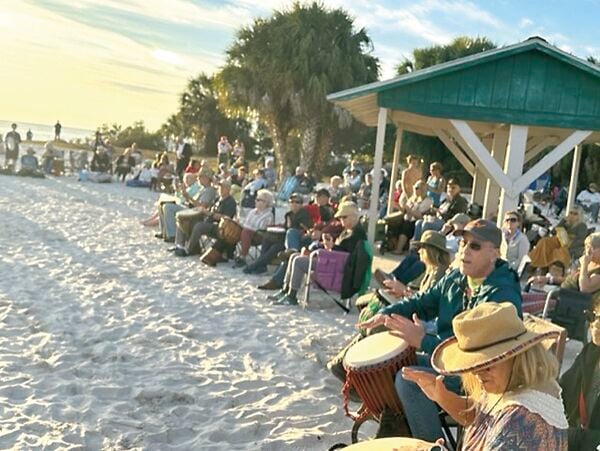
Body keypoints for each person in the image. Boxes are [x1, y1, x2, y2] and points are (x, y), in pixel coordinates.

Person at [359, 219, 522, 441]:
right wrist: (387, 314)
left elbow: (481, 357)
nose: (465, 250)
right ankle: (402, 432)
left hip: (479, 379)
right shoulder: (456, 278)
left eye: (475, 246)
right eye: (463, 243)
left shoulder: (501, 294)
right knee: (392, 365)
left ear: (494, 253)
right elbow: (421, 303)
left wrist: (423, 341)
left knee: (407, 382)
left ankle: (433, 446)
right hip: (448, 364)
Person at [405, 302, 568, 449]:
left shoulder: (520, 422)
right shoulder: (512, 384)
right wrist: (441, 396)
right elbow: (479, 418)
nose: (477, 373)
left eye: (486, 365)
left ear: (517, 357)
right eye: (473, 366)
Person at [328, 231, 451, 383]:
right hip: (423, 321)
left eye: (422, 248)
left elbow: (430, 307)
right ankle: (344, 364)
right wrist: (405, 292)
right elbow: (422, 297)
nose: (418, 251)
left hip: (427, 326)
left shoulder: (440, 273)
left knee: (378, 327)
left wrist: (404, 291)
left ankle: (348, 368)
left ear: (431, 251)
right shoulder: (431, 270)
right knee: (377, 324)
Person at [271, 201, 366, 306]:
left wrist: (330, 247)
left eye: (344, 217)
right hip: (333, 262)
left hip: (337, 268)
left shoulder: (357, 234)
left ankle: (292, 295)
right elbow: (342, 249)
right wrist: (329, 245)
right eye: (340, 218)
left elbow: (348, 255)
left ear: (353, 217)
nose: (341, 221)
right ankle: (286, 290)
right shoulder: (348, 231)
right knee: (294, 256)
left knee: (299, 261)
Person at [560, 293, 600, 449]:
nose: (595, 324)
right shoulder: (590, 353)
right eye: (593, 317)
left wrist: (569, 436)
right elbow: (561, 392)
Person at [243, 193, 313, 275]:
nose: (294, 204)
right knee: (267, 239)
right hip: (283, 238)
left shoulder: (304, 215)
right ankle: (262, 266)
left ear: (301, 204)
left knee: (276, 247)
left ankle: (256, 265)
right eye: (292, 202)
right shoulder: (289, 214)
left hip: (294, 242)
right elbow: (285, 226)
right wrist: (277, 226)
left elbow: (303, 230)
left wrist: (289, 227)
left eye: (297, 202)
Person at [173, 179, 237, 260]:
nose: (220, 189)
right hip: (209, 221)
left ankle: (188, 249)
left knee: (199, 226)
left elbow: (227, 218)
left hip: (220, 227)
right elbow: (210, 210)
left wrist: (209, 213)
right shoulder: (218, 199)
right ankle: (180, 245)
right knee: (186, 220)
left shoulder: (230, 202)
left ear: (228, 189)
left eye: (223, 187)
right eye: (220, 187)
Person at [158, 167, 217, 242]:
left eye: (200, 177)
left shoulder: (209, 190)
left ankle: (172, 235)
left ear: (207, 178)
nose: (198, 178)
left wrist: (188, 197)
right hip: (190, 208)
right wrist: (185, 196)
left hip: (195, 212)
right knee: (162, 204)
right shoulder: (202, 188)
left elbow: (201, 206)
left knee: (168, 207)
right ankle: (165, 232)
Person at [385, 180, 433, 255]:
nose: (415, 189)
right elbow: (405, 210)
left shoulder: (427, 200)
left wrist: (408, 209)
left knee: (406, 226)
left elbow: (419, 214)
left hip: (417, 221)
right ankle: (392, 246)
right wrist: (398, 206)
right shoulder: (412, 198)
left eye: (417, 188)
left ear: (423, 189)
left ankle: (399, 249)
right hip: (407, 218)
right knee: (392, 224)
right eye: (415, 187)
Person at [231, 190, 275, 268]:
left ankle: (242, 256)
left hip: (259, 236)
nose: (255, 201)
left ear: (266, 203)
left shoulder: (269, 215)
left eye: (258, 200)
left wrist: (246, 227)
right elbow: (246, 223)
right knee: (233, 228)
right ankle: (228, 251)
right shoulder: (253, 212)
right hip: (247, 233)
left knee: (246, 231)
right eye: (256, 199)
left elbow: (261, 228)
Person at [560, 232, 600, 304]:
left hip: (570, 302)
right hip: (562, 292)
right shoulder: (590, 263)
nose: (587, 251)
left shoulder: (596, 270)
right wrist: (550, 279)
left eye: (592, 248)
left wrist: (584, 265)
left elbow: (585, 288)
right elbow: (574, 279)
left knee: (534, 303)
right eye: (587, 247)